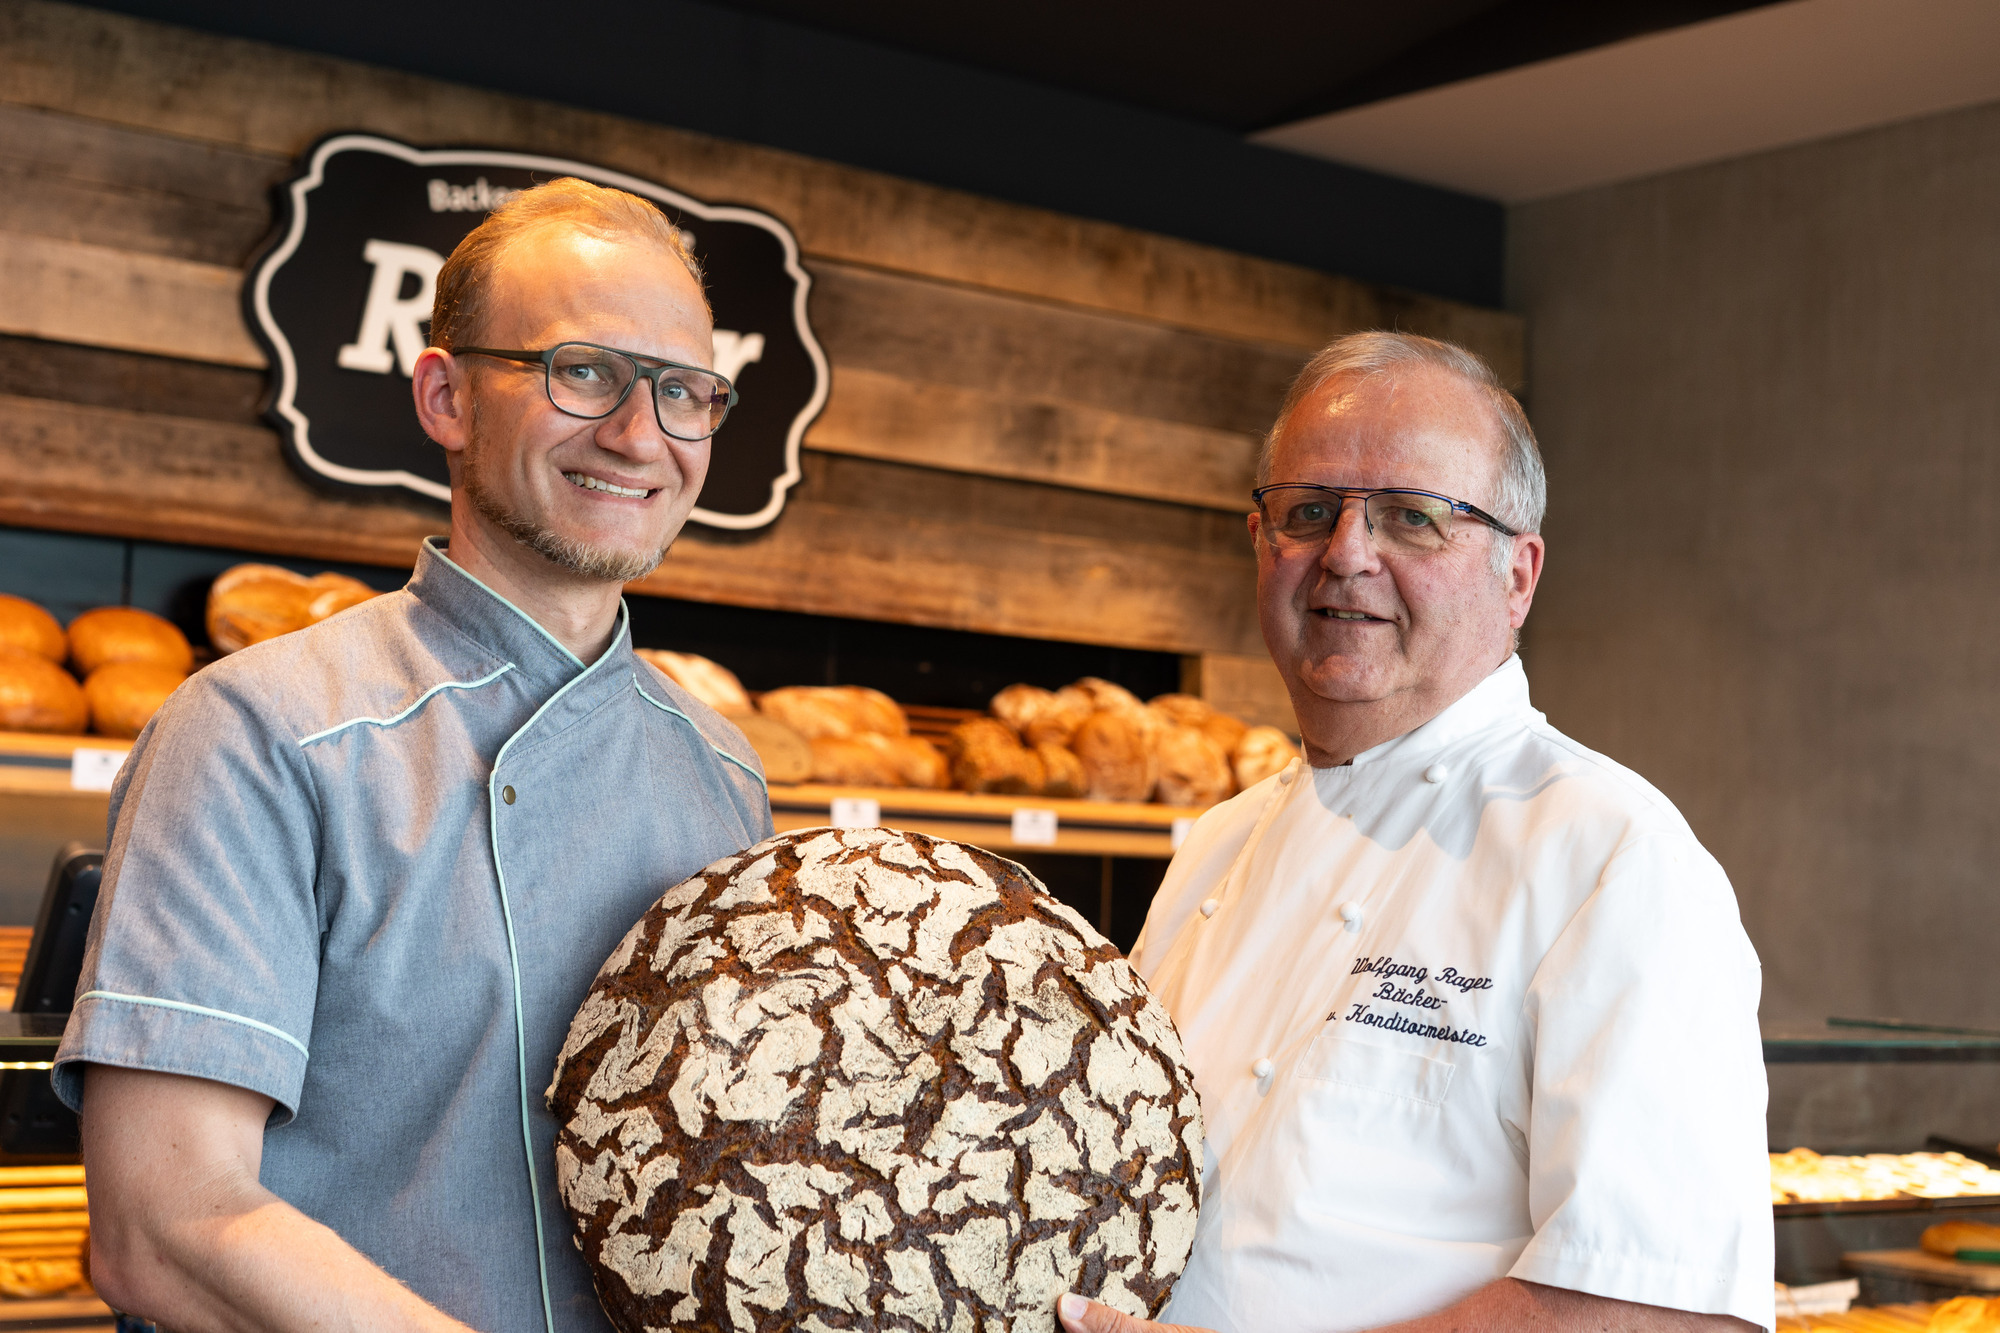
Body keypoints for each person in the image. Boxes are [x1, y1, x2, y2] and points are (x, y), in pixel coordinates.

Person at [56, 179, 773, 1333]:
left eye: (684, 391)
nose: (641, 436)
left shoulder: (723, 775)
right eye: (581, 371)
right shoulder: (260, 732)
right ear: (445, 396)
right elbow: (166, 1226)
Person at [1059, 333, 1772, 1333]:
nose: (1345, 554)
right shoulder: (1215, 845)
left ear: (1517, 574)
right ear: (1260, 546)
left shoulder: (1609, 858)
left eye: (1413, 517)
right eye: (1307, 511)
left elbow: (1659, 1308)